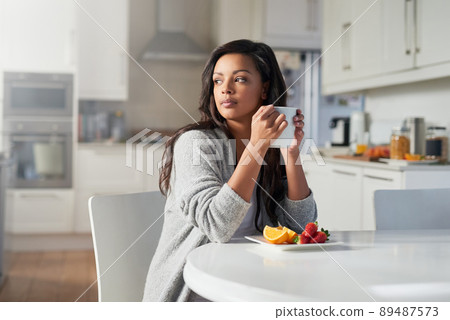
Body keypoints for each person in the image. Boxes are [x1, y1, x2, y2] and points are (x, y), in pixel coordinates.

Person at [142, 39, 317, 302]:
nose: (226, 90)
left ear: (265, 89)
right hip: (196, 292)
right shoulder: (196, 144)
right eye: (218, 81)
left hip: (253, 283)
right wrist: (257, 146)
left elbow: (301, 229)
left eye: (240, 79)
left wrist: (291, 155)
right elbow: (218, 225)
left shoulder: (269, 150)